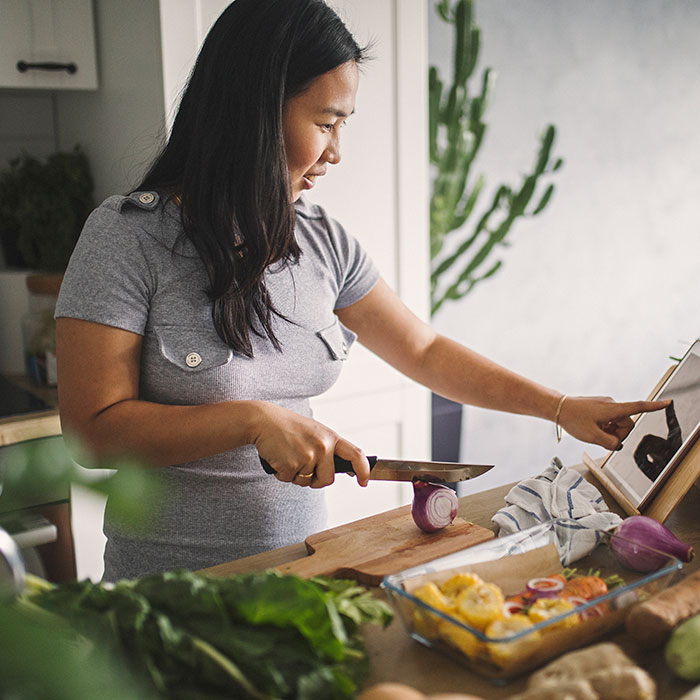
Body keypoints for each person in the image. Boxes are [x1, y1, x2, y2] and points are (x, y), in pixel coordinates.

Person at [54, 0, 668, 581]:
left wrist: (560, 408)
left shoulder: (324, 242)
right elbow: (92, 431)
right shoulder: (126, 237)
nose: (336, 152)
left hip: (302, 574)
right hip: (168, 594)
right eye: (326, 123)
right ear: (255, 112)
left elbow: (423, 351)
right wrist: (249, 420)